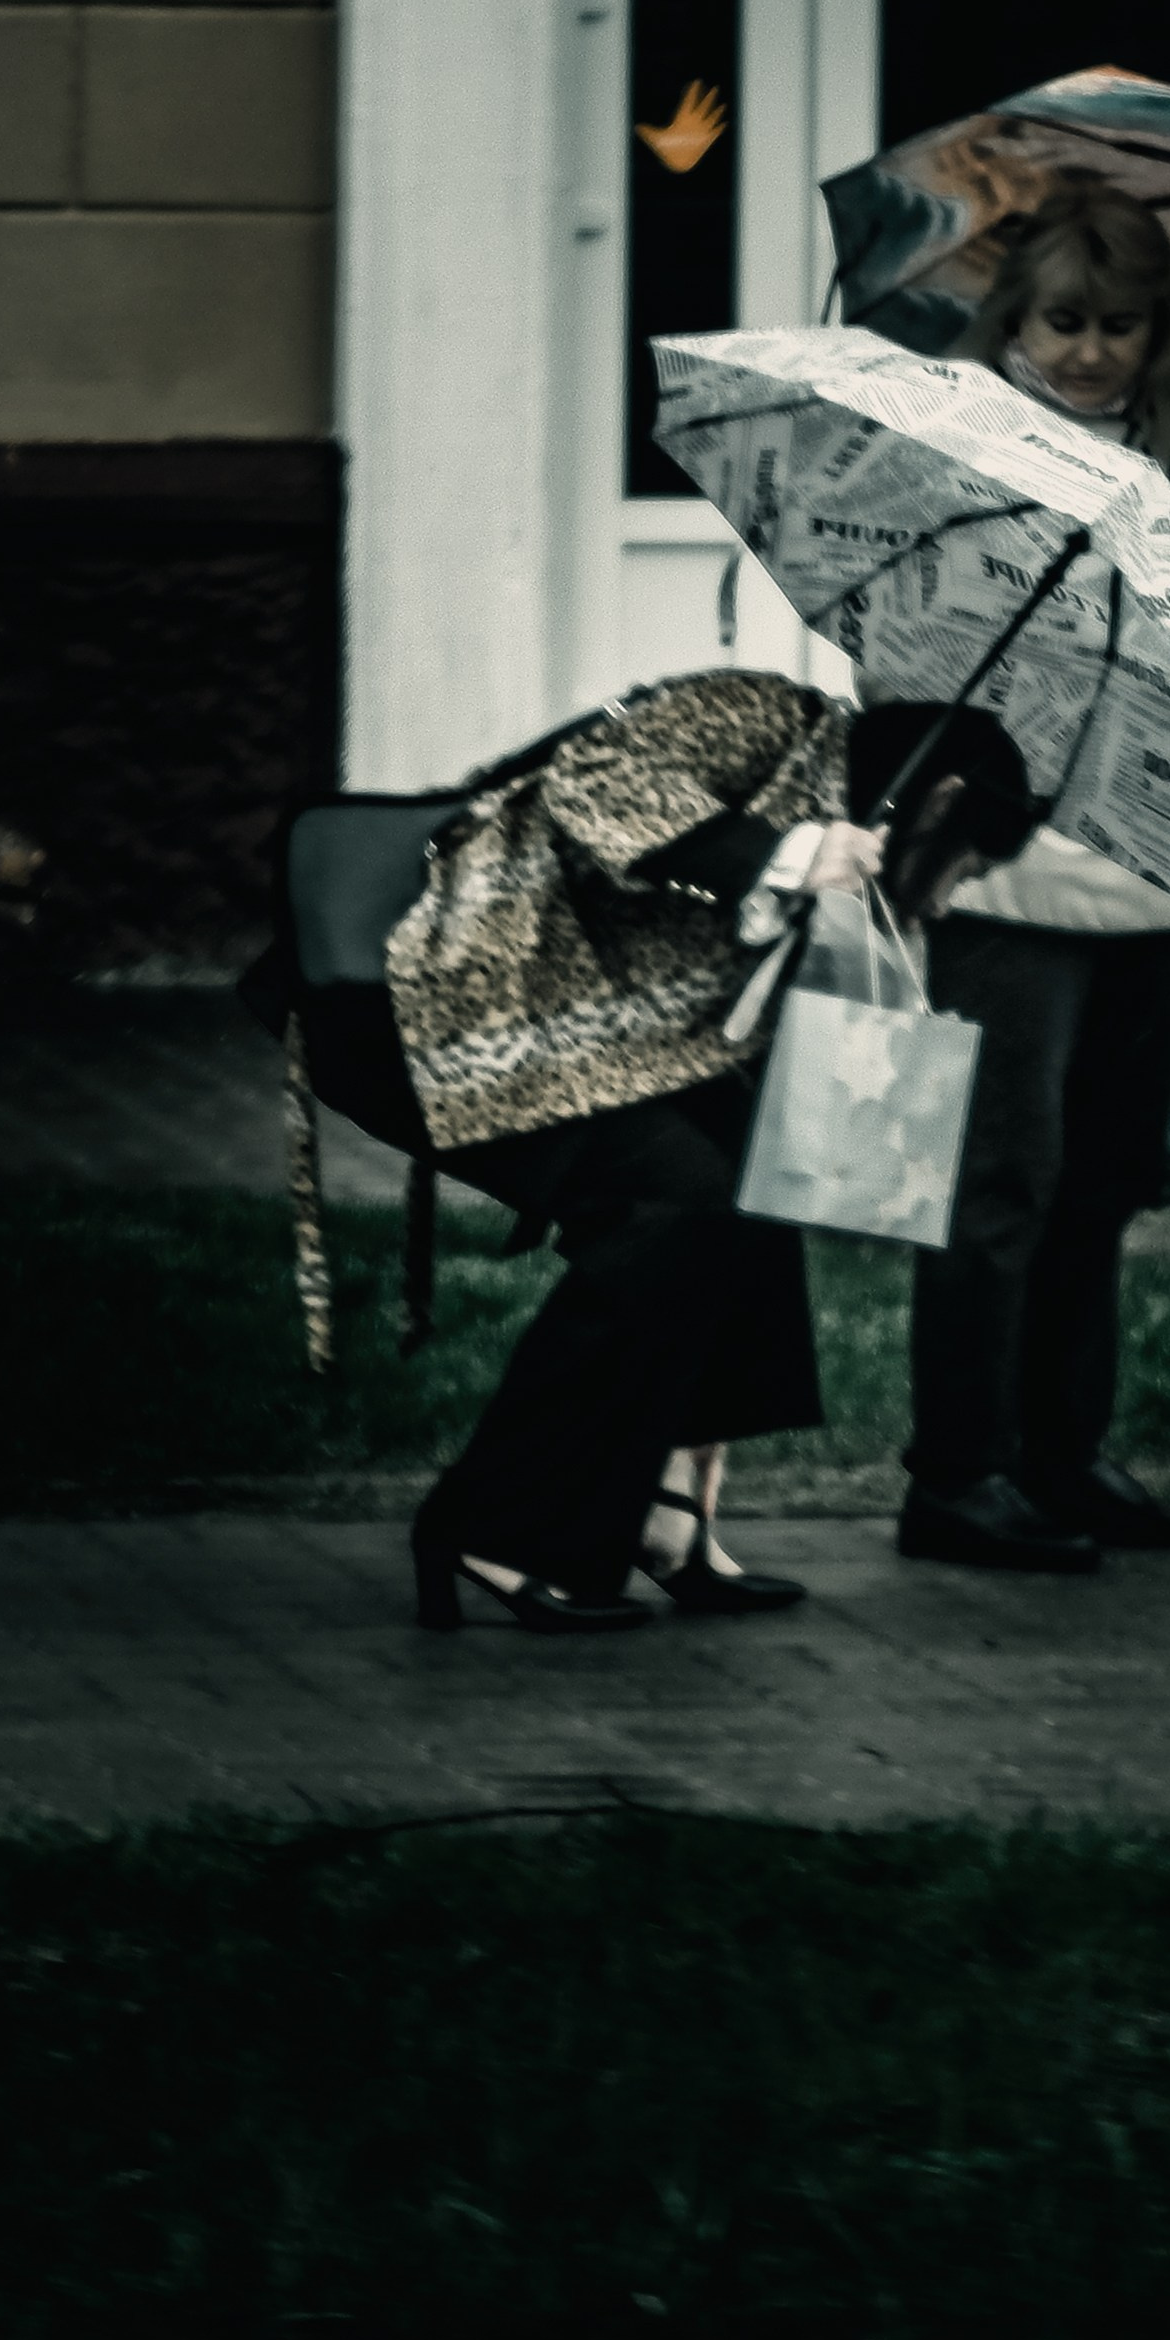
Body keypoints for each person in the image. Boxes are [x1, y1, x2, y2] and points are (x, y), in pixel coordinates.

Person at [387, 676, 1033, 1632]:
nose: (947, 899)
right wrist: (789, 853)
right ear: (940, 805)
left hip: (617, 1035)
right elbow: (593, 778)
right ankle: (492, 1529)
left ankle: (672, 1513)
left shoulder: (858, 849)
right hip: (482, 1001)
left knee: (751, 1189)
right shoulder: (761, 714)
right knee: (674, 1208)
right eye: (965, 868)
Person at [892, 183, 1170, 1576]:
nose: (1092, 352)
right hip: (1008, 874)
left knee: (1101, 1179)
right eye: (1065, 322)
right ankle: (956, 1473)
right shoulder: (959, 453)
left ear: (1160, 333)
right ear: (1014, 322)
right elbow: (912, 650)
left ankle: (1062, 1453)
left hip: (1152, 869)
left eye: (1122, 326)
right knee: (1000, 1180)